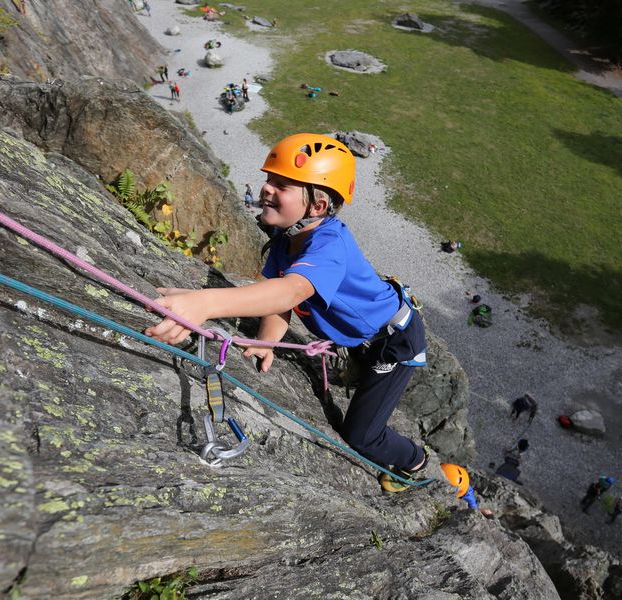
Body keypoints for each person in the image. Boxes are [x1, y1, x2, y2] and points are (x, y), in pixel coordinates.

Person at [145, 133, 433, 492]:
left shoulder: (329, 244)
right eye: (268, 179)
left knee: (361, 435)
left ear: (316, 206)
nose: (266, 189)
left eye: (281, 184)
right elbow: (278, 301)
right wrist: (267, 342)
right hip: (368, 334)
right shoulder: (285, 241)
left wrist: (206, 303)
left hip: (394, 343)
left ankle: (414, 460)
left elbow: (293, 290)